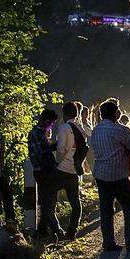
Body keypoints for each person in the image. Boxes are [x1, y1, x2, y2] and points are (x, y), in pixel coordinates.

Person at [90, 100, 130, 251]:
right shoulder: (118, 129)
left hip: (101, 174)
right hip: (118, 174)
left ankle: (108, 242)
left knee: (106, 209)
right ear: (116, 113)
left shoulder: (96, 130)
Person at [28, 109, 64, 239]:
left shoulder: (40, 134)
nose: (52, 126)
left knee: (47, 203)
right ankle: (57, 231)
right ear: (46, 121)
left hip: (45, 172)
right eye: (51, 123)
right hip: (44, 173)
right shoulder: (36, 134)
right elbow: (41, 155)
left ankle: (42, 232)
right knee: (48, 204)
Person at [54, 102, 84, 240]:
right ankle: (71, 232)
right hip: (74, 170)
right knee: (75, 204)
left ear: (64, 113)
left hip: (61, 170)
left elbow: (61, 149)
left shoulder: (64, 128)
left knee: (49, 200)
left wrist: (57, 162)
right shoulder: (80, 128)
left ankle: (52, 230)